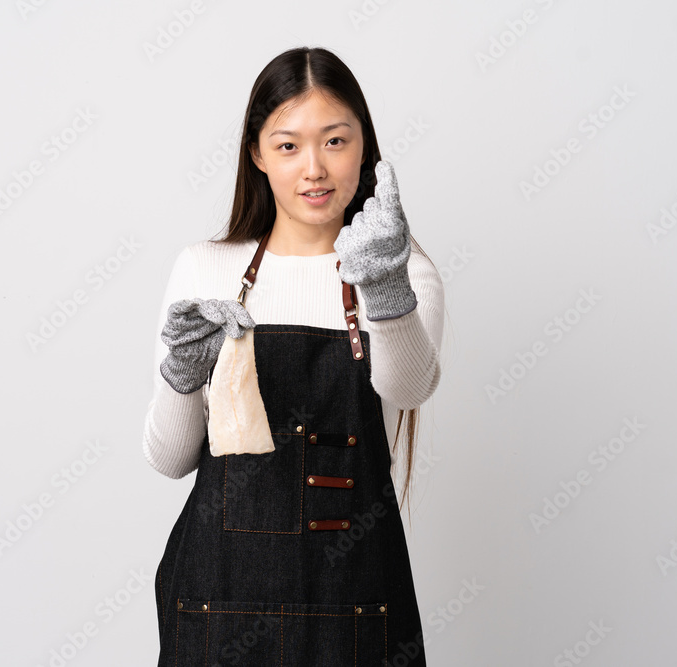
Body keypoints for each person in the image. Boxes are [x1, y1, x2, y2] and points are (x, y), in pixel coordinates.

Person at [143, 45, 443, 666]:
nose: (314, 168)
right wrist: (182, 371)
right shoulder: (204, 269)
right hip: (218, 606)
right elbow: (171, 460)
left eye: (335, 141)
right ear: (257, 154)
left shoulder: (404, 272)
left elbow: (409, 390)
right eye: (288, 145)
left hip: (353, 608)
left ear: (365, 146)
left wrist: (384, 288)